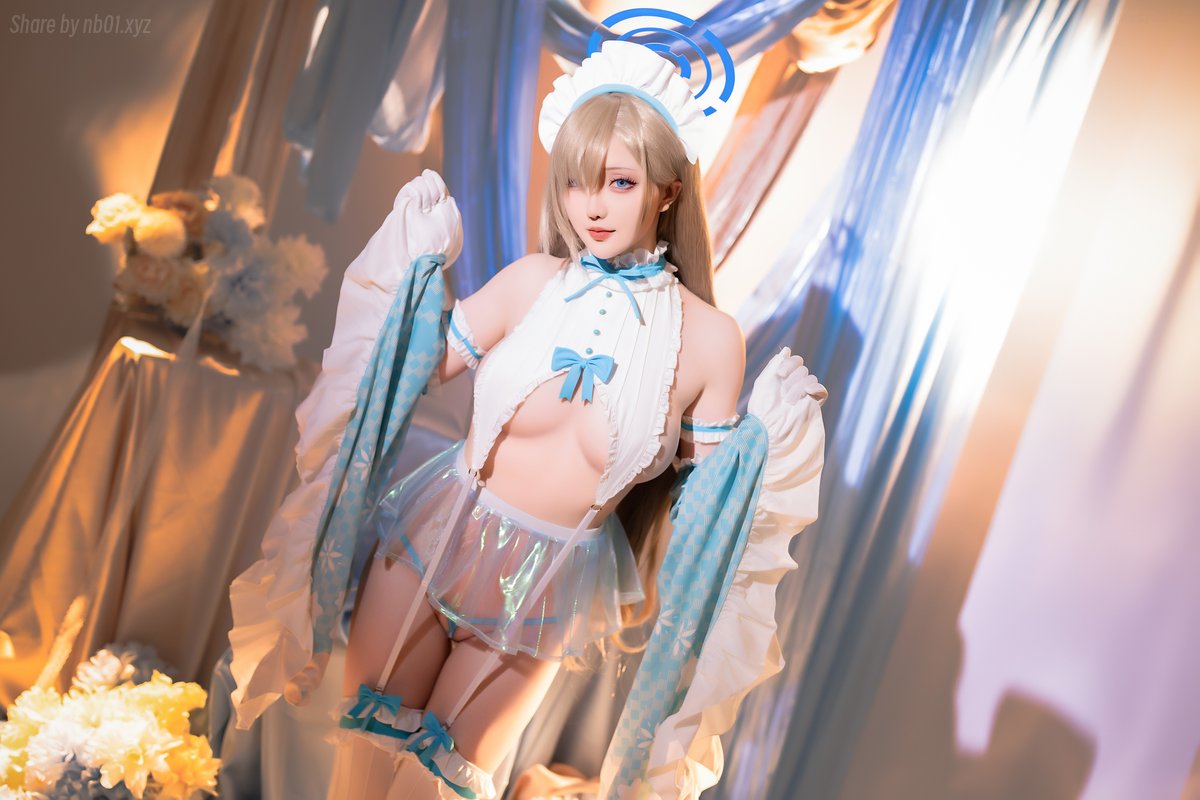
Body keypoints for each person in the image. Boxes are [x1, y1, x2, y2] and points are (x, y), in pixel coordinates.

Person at [227, 39, 827, 800]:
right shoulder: (531, 281)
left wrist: (762, 461)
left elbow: (706, 515)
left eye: (619, 181)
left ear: (668, 190)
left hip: (546, 590)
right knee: (362, 766)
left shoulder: (712, 340)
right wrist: (409, 275)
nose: (592, 206)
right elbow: (405, 367)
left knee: (440, 786)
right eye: (576, 181)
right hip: (434, 537)